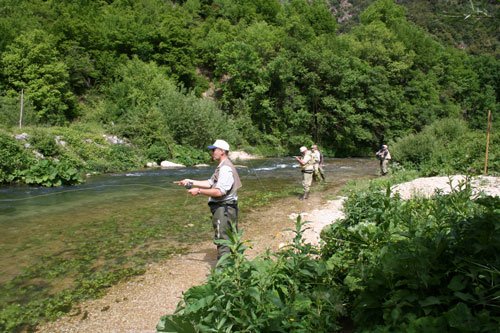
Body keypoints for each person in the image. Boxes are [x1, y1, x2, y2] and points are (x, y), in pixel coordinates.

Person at [176, 139, 242, 260]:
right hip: (225, 208)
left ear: (222, 151)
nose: (212, 152)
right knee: (229, 237)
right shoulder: (222, 166)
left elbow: (219, 191)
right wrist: (190, 181)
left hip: (224, 208)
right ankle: (234, 265)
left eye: (214, 150)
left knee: (223, 238)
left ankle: (223, 270)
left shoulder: (225, 168)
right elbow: (210, 182)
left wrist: (199, 191)